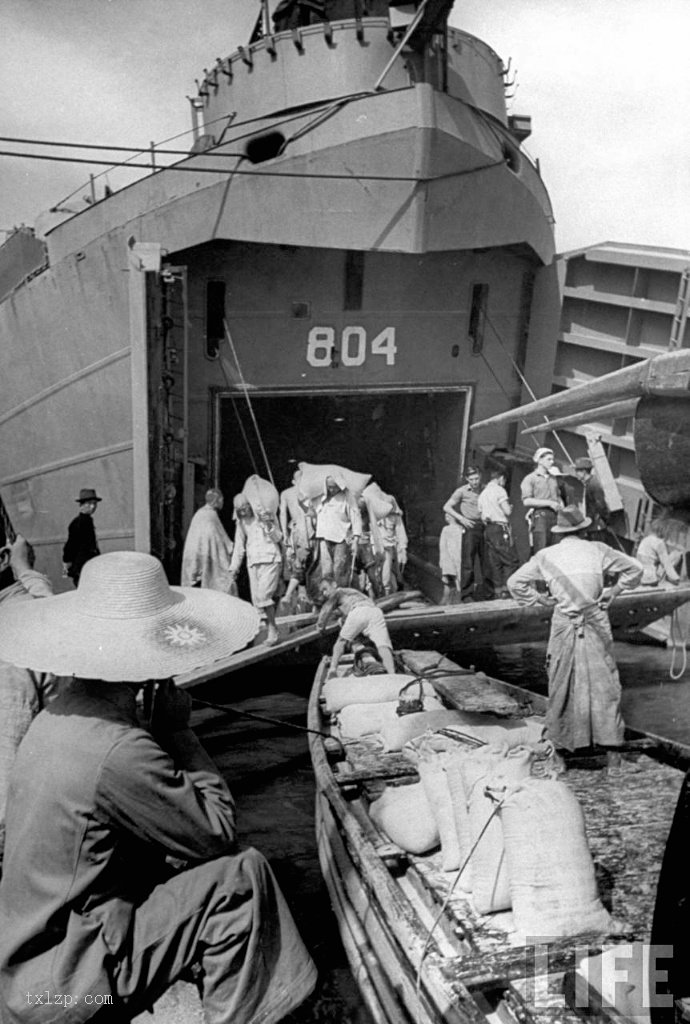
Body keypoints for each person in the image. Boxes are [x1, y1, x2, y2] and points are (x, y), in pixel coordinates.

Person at [0, 551, 316, 1024]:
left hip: (24, 974)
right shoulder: (119, 747)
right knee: (241, 877)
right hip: (66, 995)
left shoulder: (57, 716)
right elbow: (217, 831)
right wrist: (178, 731)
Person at [507, 505, 643, 772]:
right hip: (594, 619)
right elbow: (636, 569)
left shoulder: (545, 555)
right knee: (605, 685)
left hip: (564, 623)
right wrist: (614, 590)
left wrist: (538, 598)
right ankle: (614, 760)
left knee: (560, 683)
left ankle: (558, 759)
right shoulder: (598, 550)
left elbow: (515, 582)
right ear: (584, 529)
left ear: (559, 533)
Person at [0, 535, 57, 866]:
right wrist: (25, 568)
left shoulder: (8, 645)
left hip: (18, 848)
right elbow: (43, 603)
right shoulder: (35, 613)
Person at [229, 495, 283, 646]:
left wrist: (268, 524)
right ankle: (267, 631)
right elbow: (239, 546)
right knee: (258, 601)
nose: (244, 512)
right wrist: (234, 567)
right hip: (253, 562)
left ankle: (273, 630)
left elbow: (278, 537)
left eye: (245, 508)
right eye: (240, 510)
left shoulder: (266, 515)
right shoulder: (241, 523)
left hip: (271, 558)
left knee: (264, 595)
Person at [317, 575, 395, 676]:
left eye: (325, 589)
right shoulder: (352, 592)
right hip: (375, 612)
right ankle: (392, 674)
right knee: (383, 645)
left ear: (334, 585)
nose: (324, 593)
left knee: (341, 642)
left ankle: (332, 670)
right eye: (322, 592)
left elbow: (325, 610)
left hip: (358, 611)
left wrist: (320, 627)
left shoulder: (338, 592)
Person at [443, 466, 484, 602]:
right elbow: (447, 507)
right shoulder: (461, 491)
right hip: (470, 526)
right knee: (468, 562)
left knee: (486, 560)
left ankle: (488, 591)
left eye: (476, 478)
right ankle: (467, 594)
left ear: (480, 476)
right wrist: (461, 519)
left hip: (484, 525)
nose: (474, 482)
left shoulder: (485, 490)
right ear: (467, 479)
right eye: (471, 479)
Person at [180, 487, 234, 591]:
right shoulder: (211, 515)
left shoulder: (199, 513)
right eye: (221, 499)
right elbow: (221, 539)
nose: (223, 502)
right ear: (216, 500)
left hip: (194, 559)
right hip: (205, 558)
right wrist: (230, 547)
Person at [312, 474, 362, 588]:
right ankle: (328, 596)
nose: (332, 489)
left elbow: (355, 516)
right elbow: (310, 509)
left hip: (341, 538)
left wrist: (356, 539)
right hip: (324, 537)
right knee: (326, 570)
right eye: (329, 487)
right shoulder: (321, 498)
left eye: (334, 487)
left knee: (340, 569)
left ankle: (341, 594)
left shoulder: (347, 496)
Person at [477, 467, 520, 599]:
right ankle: (507, 591)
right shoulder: (499, 490)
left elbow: (480, 514)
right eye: (504, 480)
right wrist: (510, 507)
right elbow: (507, 511)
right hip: (500, 528)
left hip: (488, 530)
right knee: (511, 560)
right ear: (501, 478)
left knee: (495, 562)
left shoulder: (483, 494)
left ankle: (497, 592)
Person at [279, 472, 314, 612]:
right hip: (299, 532)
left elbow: (282, 514)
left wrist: (285, 532)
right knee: (300, 564)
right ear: (294, 481)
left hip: (307, 531)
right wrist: (285, 533)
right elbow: (282, 513)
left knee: (306, 565)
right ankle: (292, 596)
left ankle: (302, 597)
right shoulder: (288, 493)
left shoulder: (309, 492)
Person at [520, 448, 563, 553]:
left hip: (555, 516)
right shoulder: (530, 478)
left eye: (552, 459)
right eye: (549, 459)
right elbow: (527, 501)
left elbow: (558, 496)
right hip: (541, 517)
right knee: (541, 550)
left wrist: (561, 507)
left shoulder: (553, 478)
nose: (552, 462)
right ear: (539, 460)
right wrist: (549, 503)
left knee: (554, 550)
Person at [62, 487, 102, 586]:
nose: (92, 507)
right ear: (81, 505)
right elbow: (71, 545)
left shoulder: (87, 520)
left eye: (94, 504)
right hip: (82, 566)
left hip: (88, 565)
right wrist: (67, 562)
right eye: (89, 503)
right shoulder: (79, 522)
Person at [571, 456, 611, 542]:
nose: (575, 474)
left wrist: (605, 520)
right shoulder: (588, 483)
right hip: (592, 525)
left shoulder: (593, 485)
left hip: (596, 527)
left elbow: (601, 505)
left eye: (577, 471)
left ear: (584, 472)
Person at [636, 518, 683, 587]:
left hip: (640, 577)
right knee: (676, 554)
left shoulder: (646, 540)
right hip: (651, 579)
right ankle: (664, 581)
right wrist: (676, 578)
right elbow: (666, 563)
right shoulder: (659, 543)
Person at [376, 496, 407, 595]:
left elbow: (401, 533)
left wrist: (403, 550)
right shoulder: (375, 515)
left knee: (388, 572)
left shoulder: (395, 517)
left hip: (389, 547)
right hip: (376, 547)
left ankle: (388, 592)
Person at [438, 513, 463, 604]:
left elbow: (443, 545)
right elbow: (443, 545)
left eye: (447, 516)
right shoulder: (447, 529)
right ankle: (449, 602)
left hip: (456, 555)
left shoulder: (457, 528)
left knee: (456, 579)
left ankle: (456, 600)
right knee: (452, 580)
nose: (446, 518)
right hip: (451, 556)